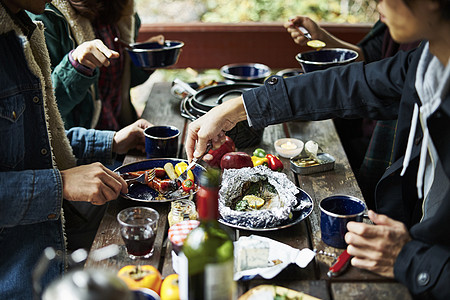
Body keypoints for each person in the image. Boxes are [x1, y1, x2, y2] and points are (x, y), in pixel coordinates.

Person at [185, 0, 450, 298]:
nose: (376, 4)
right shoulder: (428, 62)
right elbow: (352, 84)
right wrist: (238, 107)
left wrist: (410, 260)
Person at [0, 0, 152, 298]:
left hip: (51, 246)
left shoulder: (23, 29)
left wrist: (110, 141)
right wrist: (61, 184)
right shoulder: (44, 23)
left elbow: (40, 138)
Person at [284, 16, 421, 208]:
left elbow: (380, 75)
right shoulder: (394, 25)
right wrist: (321, 37)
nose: (378, 6)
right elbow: (369, 58)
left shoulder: (429, 50)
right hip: (364, 123)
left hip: (393, 141)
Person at [27, 0, 163, 131]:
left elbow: (116, 83)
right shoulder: (45, 14)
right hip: (80, 146)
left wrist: (145, 60)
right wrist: (75, 67)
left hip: (121, 132)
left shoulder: (123, 10)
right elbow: (42, 110)